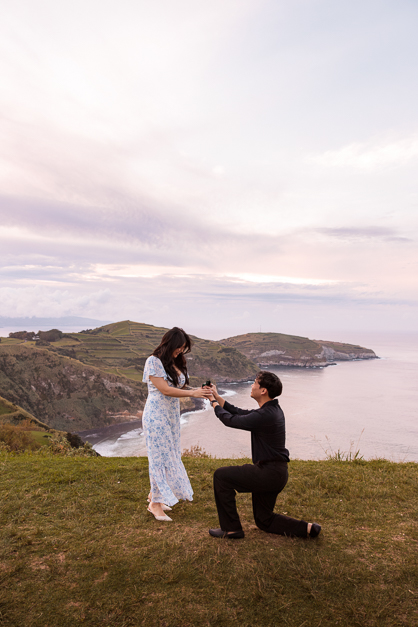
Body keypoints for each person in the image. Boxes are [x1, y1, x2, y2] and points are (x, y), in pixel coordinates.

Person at [206, 371, 321, 539]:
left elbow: (230, 420)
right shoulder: (271, 410)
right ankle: (308, 529)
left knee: (221, 476)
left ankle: (231, 529)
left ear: (263, 391)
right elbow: (238, 412)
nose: (252, 385)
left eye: (254, 383)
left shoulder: (265, 415)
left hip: (268, 473)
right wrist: (216, 396)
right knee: (263, 520)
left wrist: (213, 402)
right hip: (276, 474)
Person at [142, 327, 212, 522]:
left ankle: (154, 497)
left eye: (183, 348)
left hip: (171, 416)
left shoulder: (172, 363)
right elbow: (165, 389)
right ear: (170, 343)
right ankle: (155, 505)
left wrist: (198, 390)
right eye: (179, 347)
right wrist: (193, 394)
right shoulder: (153, 361)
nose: (181, 351)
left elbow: (177, 386)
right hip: (156, 415)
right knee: (159, 458)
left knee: (168, 455)